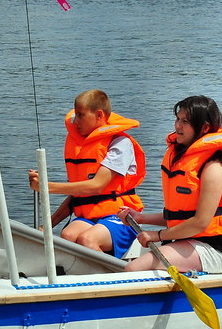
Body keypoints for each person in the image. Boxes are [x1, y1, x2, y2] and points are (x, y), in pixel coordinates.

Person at [120, 95, 222, 274]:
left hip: (218, 249)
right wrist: (141, 218)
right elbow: (182, 215)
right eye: (178, 119)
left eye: (185, 122)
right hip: (189, 240)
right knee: (137, 266)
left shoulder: (216, 166)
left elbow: (200, 222)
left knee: (134, 267)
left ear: (205, 127)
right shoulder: (184, 158)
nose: (178, 126)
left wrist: (157, 235)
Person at [29, 89, 145, 258]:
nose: (76, 121)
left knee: (87, 239)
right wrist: (46, 226)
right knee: (67, 235)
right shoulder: (80, 146)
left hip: (122, 217)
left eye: (81, 115)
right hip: (90, 217)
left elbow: (97, 186)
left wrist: (46, 187)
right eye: (75, 115)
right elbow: (78, 196)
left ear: (99, 115)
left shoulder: (120, 143)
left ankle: (115, 274)